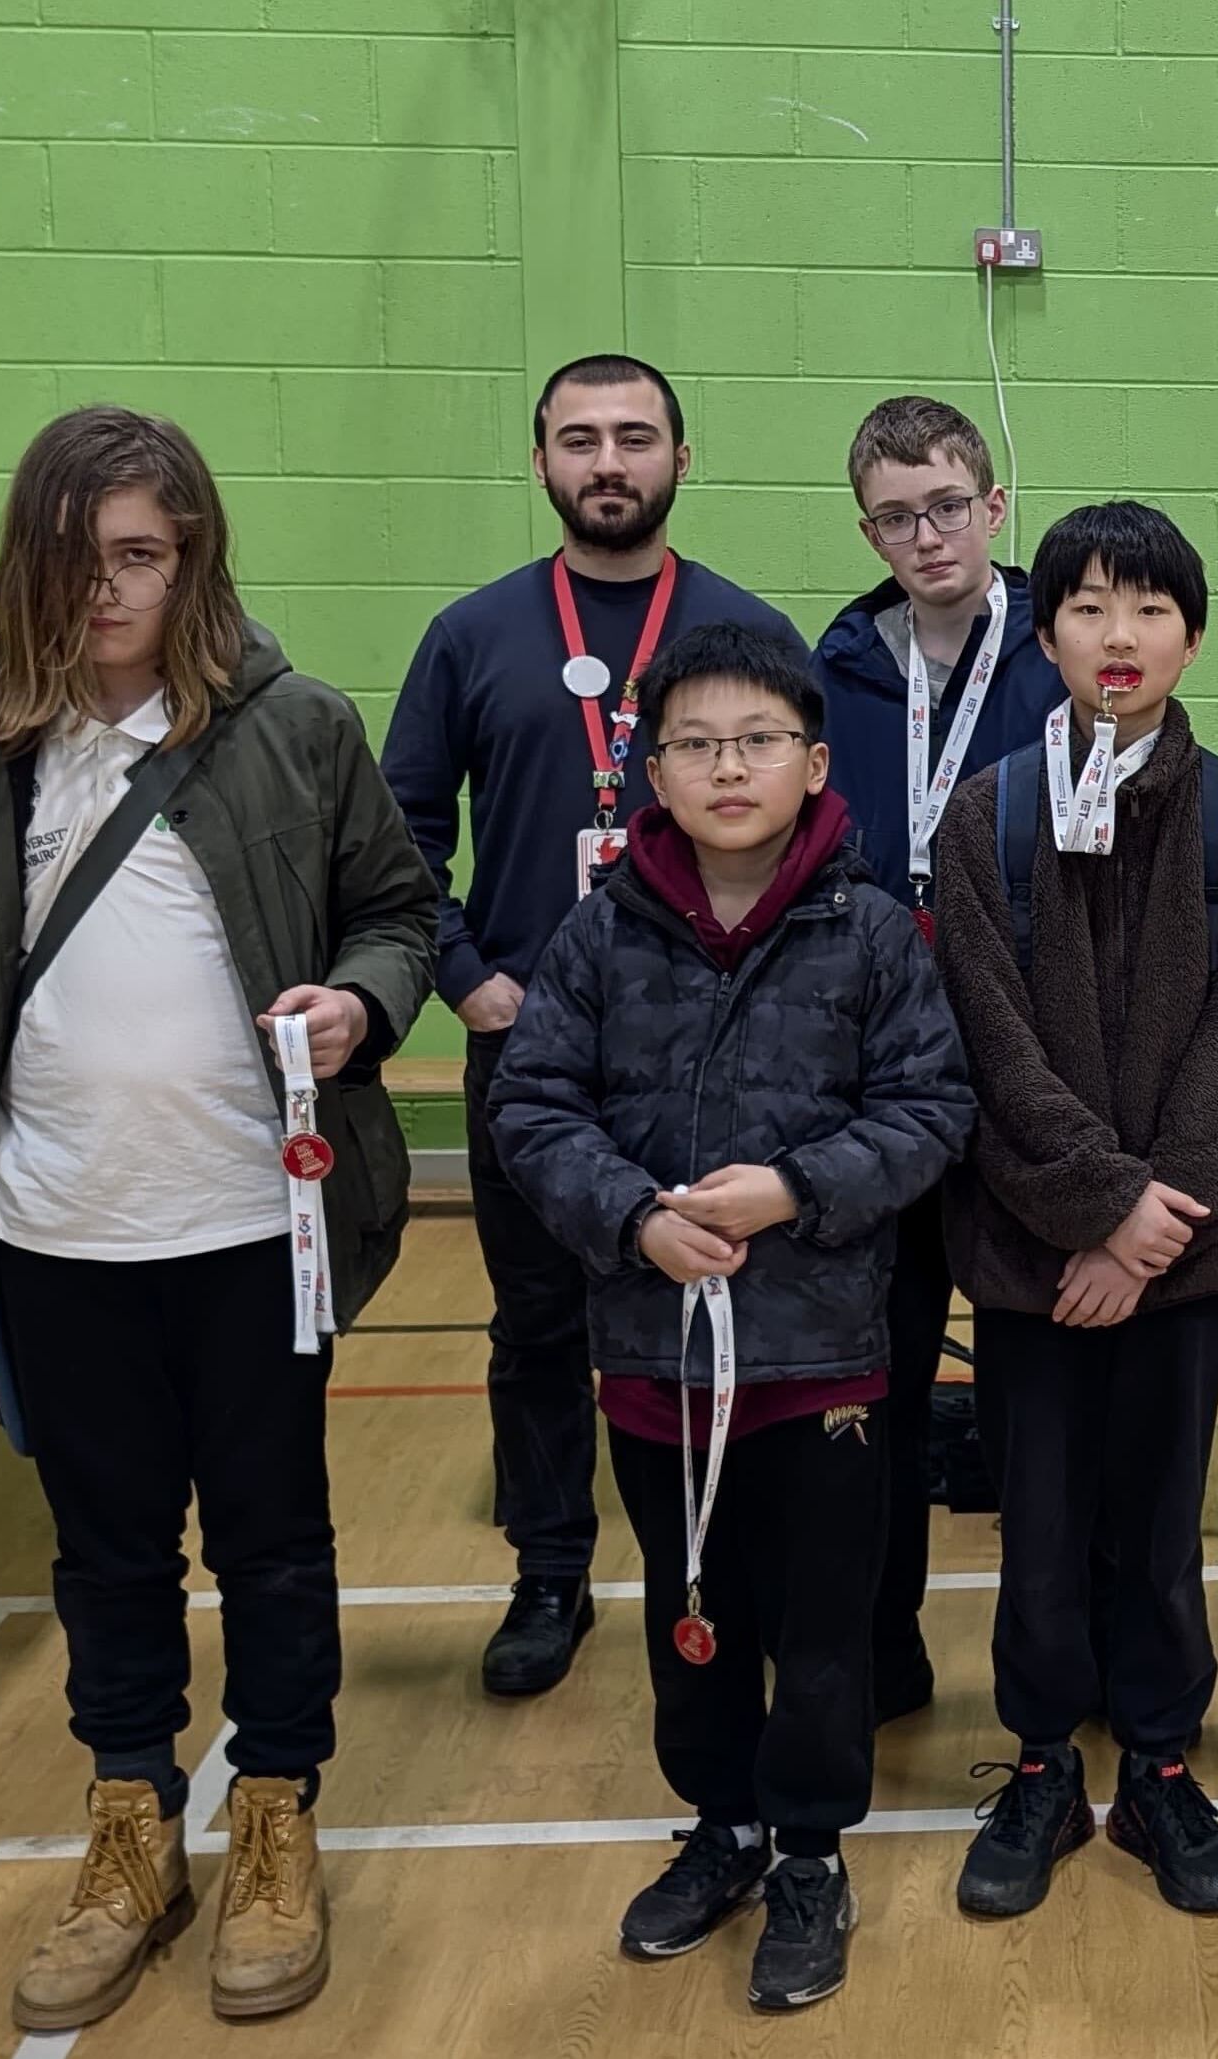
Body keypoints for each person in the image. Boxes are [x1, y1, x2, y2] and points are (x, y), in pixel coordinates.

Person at [0, 406, 438, 2032]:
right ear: (30, 561)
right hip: (53, 1231)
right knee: (105, 1546)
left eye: (140, 552)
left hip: (262, 1228)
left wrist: (365, 1004)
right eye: (80, 553)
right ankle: (131, 1821)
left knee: (272, 1535)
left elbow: (400, 909)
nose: (108, 585)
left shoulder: (298, 724)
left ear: (190, 559)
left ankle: (274, 1814)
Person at [489, 621, 973, 2013]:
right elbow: (530, 1106)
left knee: (821, 1622)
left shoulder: (873, 930)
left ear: (814, 762)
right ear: (652, 768)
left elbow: (930, 1108)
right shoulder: (598, 933)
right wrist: (636, 1214)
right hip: (653, 1356)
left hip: (820, 1356)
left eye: (757, 740)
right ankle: (724, 1825)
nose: (727, 767)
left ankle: (811, 1847)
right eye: (694, 743)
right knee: (691, 1611)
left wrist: (793, 1189)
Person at [380, 354, 813, 1700]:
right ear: (542, 463)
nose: (608, 460)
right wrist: (465, 977)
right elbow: (399, 835)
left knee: (719, 1304)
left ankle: (731, 1555)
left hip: (715, 1042)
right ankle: (550, 1566)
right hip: (539, 1044)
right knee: (537, 1320)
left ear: (683, 457)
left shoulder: (747, 632)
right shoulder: (472, 635)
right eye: (581, 438)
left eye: (635, 436)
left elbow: (812, 831)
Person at [924, 500, 1218, 1920]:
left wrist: (1152, 1230)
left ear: (1190, 636)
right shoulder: (986, 813)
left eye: (1148, 608)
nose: (1119, 634)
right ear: (1048, 634)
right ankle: (1037, 1758)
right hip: (1035, 1255)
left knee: (1157, 1513)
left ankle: (1154, 1754)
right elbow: (986, 1040)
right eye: (1087, 606)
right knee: (1037, 1507)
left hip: (1178, 1263)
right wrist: (1088, 1209)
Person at [805, 394, 1066, 1723]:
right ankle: (881, 1645)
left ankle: (1052, 1659)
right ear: (871, 528)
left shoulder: (1066, 647)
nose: (928, 533)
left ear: (993, 506)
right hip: (883, 1078)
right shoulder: (835, 665)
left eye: (948, 505)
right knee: (886, 1377)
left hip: (1029, 1066)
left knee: (1033, 1395)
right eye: (899, 515)